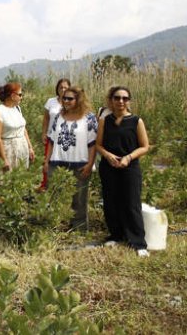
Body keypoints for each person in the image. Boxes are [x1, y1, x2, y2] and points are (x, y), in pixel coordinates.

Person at [96, 86, 151, 257]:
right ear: (111, 100)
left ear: (129, 101)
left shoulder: (136, 121)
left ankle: (138, 242)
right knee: (111, 201)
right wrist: (107, 155)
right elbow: (98, 145)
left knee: (131, 203)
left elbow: (145, 146)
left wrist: (128, 157)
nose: (121, 101)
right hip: (109, 166)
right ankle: (116, 235)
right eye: (117, 98)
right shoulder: (105, 120)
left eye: (125, 98)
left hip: (130, 167)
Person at [44, 86, 97, 231]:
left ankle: (79, 230)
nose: (66, 101)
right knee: (53, 195)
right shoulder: (59, 116)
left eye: (70, 98)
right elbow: (52, 140)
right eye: (64, 98)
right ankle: (51, 228)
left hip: (80, 162)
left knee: (79, 199)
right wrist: (47, 161)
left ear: (78, 99)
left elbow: (93, 144)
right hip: (57, 161)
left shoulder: (89, 118)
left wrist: (90, 164)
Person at [0, 82, 35, 170]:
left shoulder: (17, 108)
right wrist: (4, 159)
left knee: (21, 177)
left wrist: (30, 147)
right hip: (7, 150)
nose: (21, 97)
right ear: (13, 96)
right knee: (6, 179)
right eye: (20, 95)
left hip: (22, 148)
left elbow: (23, 130)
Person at [40, 78, 71, 188]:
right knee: (48, 163)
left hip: (65, 139)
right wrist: (44, 133)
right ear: (57, 89)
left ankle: (62, 187)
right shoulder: (51, 101)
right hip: (51, 137)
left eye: (65, 87)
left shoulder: (72, 101)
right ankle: (46, 186)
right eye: (60, 87)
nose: (63, 89)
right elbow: (46, 119)